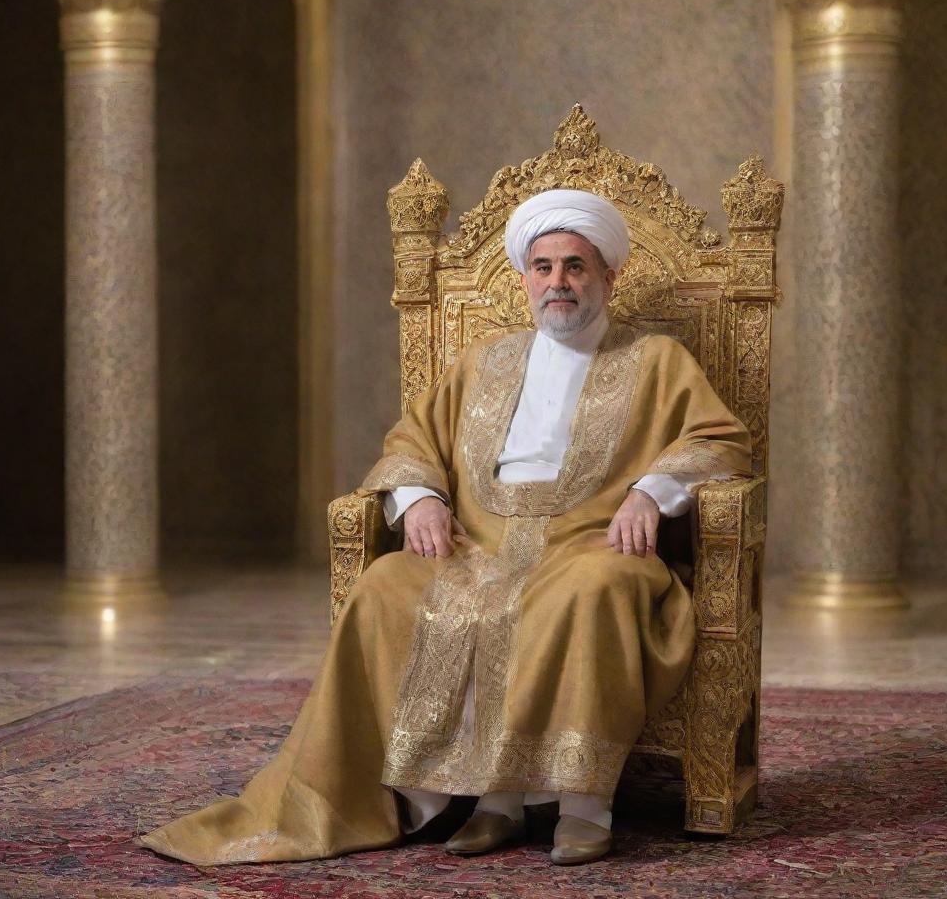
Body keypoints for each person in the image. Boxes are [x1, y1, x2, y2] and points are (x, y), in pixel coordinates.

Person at [137, 188, 751, 867]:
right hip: (478, 546)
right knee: (386, 586)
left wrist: (648, 494)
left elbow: (720, 439)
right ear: (523, 279)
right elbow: (413, 440)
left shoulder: (656, 361)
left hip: (591, 545)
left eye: (575, 266)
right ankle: (492, 801)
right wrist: (421, 498)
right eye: (543, 267)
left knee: (593, 591)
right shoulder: (483, 363)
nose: (559, 282)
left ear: (609, 276)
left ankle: (582, 806)